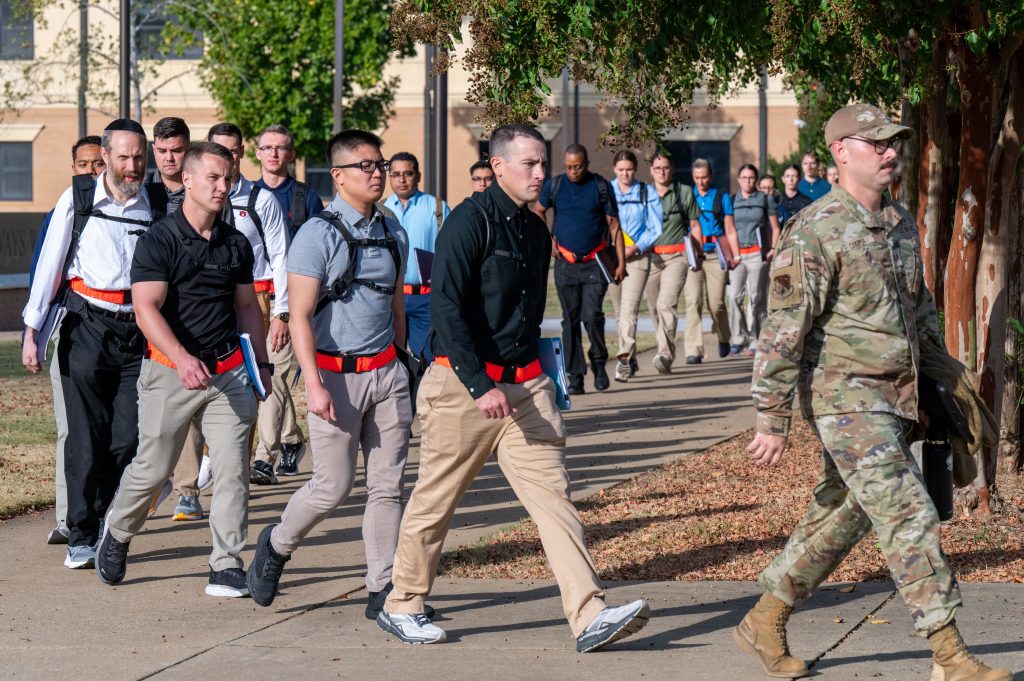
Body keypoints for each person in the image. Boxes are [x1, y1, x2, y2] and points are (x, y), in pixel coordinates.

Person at [739, 103, 1011, 681]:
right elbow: (783, 329)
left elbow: (919, 311)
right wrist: (771, 416)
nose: (890, 152)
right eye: (876, 143)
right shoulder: (814, 230)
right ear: (841, 152)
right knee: (908, 511)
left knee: (847, 512)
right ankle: (949, 656)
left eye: (893, 143)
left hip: (897, 398)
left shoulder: (900, 223)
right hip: (844, 399)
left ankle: (765, 616)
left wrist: (937, 385)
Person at [374, 124, 650, 651]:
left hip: (525, 389)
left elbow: (526, 315)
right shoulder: (468, 222)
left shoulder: (534, 229)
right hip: (463, 386)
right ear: (497, 166)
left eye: (544, 163)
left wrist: (539, 376)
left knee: (554, 499)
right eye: (530, 164)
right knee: (436, 499)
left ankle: (589, 614)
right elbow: (447, 308)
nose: (541, 173)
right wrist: (480, 384)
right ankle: (402, 603)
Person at [246, 129, 414, 621]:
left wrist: (403, 365)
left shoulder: (394, 232)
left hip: (387, 374)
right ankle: (277, 545)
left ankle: (382, 588)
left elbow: (396, 308)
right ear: (338, 175)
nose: (378, 173)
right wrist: (314, 384)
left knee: (387, 487)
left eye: (380, 164)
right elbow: (299, 316)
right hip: (335, 376)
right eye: (366, 166)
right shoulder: (317, 234)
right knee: (332, 486)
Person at [96, 141, 270, 597]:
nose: (223, 186)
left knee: (232, 470)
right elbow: (146, 309)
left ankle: (226, 564)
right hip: (169, 372)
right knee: (154, 468)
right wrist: (182, 357)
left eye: (228, 178)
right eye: (213, 177)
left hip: (228, 373)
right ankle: (118, 532)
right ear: (187, 180)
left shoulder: (235, 243)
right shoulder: (160, 239)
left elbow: (247, 307)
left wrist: (261, 364)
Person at [22, 119, 154, 569]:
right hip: (86, 326)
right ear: (107, 156)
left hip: (138, 331)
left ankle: (97, 515)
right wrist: (32, 330)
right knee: (85, 435)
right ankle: (81, 534)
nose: (132, 165)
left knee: (128, 437)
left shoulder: (155, 203)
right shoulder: (78, 199)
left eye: (139, 157)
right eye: (124, 157)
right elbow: (50, 263)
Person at [26, 134, 105, 546]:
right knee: (70, 427)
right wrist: (34, 333)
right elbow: (43, 273)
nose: (91, 171)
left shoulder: (126, 211)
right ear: (72, 168)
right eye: (83, 165)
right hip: (70, 326)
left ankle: (103, 512)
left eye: (97, 164)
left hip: (119, 334)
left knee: (111, 429)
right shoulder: (64, 208)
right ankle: (66, 517)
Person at [253, 123, 321, 477]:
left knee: (275, 372)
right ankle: (292, 438)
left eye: (281, 148)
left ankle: (264, 457)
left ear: (291, 154)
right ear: (257, 153)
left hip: (292, 297)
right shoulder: (245, 196)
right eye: (268, 147)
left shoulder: (305, 197)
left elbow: (319, 248)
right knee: (264, 373)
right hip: (253, 297)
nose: (274, 153)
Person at [533, 144, 622, 393]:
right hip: (565, 264)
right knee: (569, 321)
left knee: (592, 316)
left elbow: (614, 225)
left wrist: (620, 263)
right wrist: (549, 240)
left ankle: (599, 364)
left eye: (578, 167)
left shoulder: (600, 186)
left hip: (595, 263)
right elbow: (538, 210)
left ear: (587, 164)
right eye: (569, 167)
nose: (573, 171)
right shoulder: (555, 185)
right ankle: (575, 376)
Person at [383, 151, 450, 362]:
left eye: (408, 173)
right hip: (388, 297)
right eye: (395, 174)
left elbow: (450, 253)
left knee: (427, 359)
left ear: (418, 176)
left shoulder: (437, 208)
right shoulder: (380, 209)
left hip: (425, 298)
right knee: (390, 358)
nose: (401, 179)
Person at [643, 151, 701, 373]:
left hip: (677, 256)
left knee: (666, 304)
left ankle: (664, 354)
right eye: (657, 168)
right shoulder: (644, 194)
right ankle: (664, 349)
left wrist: (697, 254)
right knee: (653, 307)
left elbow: (694, 225)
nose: (662, 172)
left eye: (666, 167)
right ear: (651, 170)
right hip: (651, 258)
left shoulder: (683, 192)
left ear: (672, 169)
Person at [608, 150, 662, 382]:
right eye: (621, 170)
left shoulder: (646, 192)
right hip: (612, 258)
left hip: (637, 257)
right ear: (614, 169)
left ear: (635, 169)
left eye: (629, 169)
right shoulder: (607, 190)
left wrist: (635, 247)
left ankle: (623, 360)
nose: (625, 174)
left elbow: (655, 227)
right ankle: (632, 357)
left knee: (629, 310)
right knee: (619, 312)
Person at [685, 158, 740, 364]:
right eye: (697, 178)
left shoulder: (722, 197)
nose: (701, 182)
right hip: (693, 253)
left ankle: (724, 336)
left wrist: (735, 254)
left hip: (716, 254)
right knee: (693, 301)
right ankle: (693, 350)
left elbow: (730, 229)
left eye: (705, 177)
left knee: (716, 303)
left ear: (711, 175)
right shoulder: (688, 196)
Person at [726, 163, 780, 356]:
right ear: (738, 179)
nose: (747, 181)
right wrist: (730, 253)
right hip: (738, 255)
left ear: (755, 180)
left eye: (751, 178)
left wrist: (772, 249)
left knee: (757, 299)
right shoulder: (732, 200)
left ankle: (758, 339)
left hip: (758, 254)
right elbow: (728, 228)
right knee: (734, 296)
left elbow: (775, 227)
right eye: (744, 178)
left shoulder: (765, 199)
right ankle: (738, 337)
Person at [146, 117, 189, 215]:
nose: (169, 158)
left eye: (176, 151)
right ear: (154, 150)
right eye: (162, 151)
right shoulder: (141, 193)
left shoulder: (206, 191)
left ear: (189, 149)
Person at [777, 163, 813, 228]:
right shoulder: (776, 201)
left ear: (799, 179)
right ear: (783, 179)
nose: (791, 179)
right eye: (788, 176)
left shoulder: (807, 202)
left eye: (794, 176)